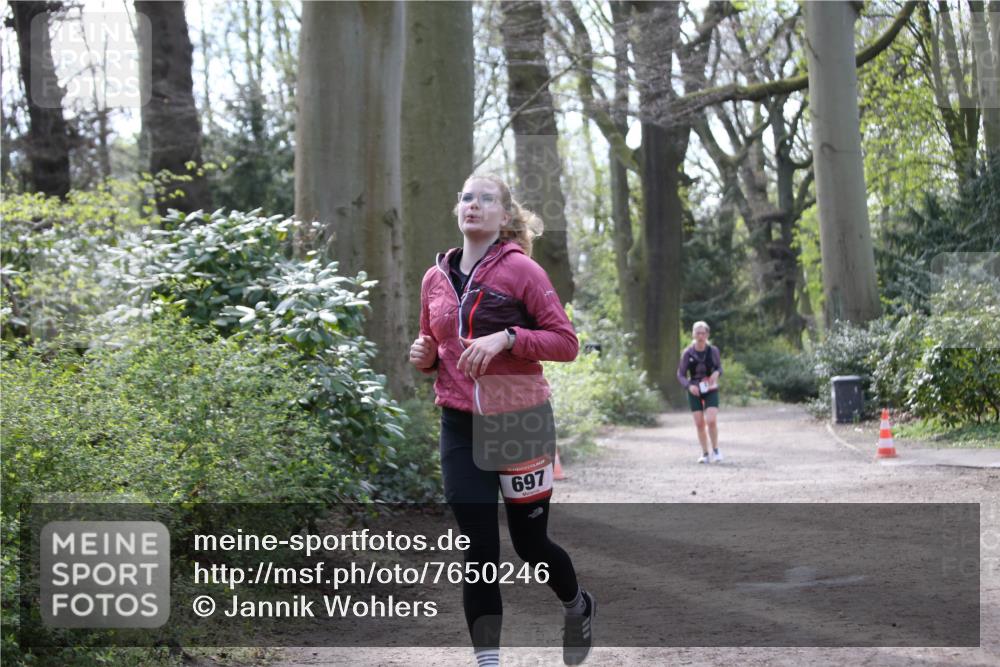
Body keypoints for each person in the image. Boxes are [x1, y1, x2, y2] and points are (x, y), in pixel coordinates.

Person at [409, 174, 595, 666]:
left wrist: (508, 338)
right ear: (458, 209)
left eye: (485, 198)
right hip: (459, 424)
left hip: (521, 420)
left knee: (530, 545)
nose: (473, 204)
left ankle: (577, 605)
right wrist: (423, 356)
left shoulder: (522, 272)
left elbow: (566, 343)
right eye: (466, 196)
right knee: (478, 551)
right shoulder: (436, 277)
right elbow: (435, 350)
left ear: (505, 216)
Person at [676, 321, 723, 464]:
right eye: (698, 333)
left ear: (707, 334)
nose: (701, 336)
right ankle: (705, 453)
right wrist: (689, 386)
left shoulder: (713, 350)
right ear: (693, 334)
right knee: (699, 424)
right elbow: (681, 374)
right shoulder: (687, 353)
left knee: (711, 420)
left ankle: (716, 450)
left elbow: (719, 368)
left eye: (703, 333)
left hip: (710, 389)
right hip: (694, 390)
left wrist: (716, 374)